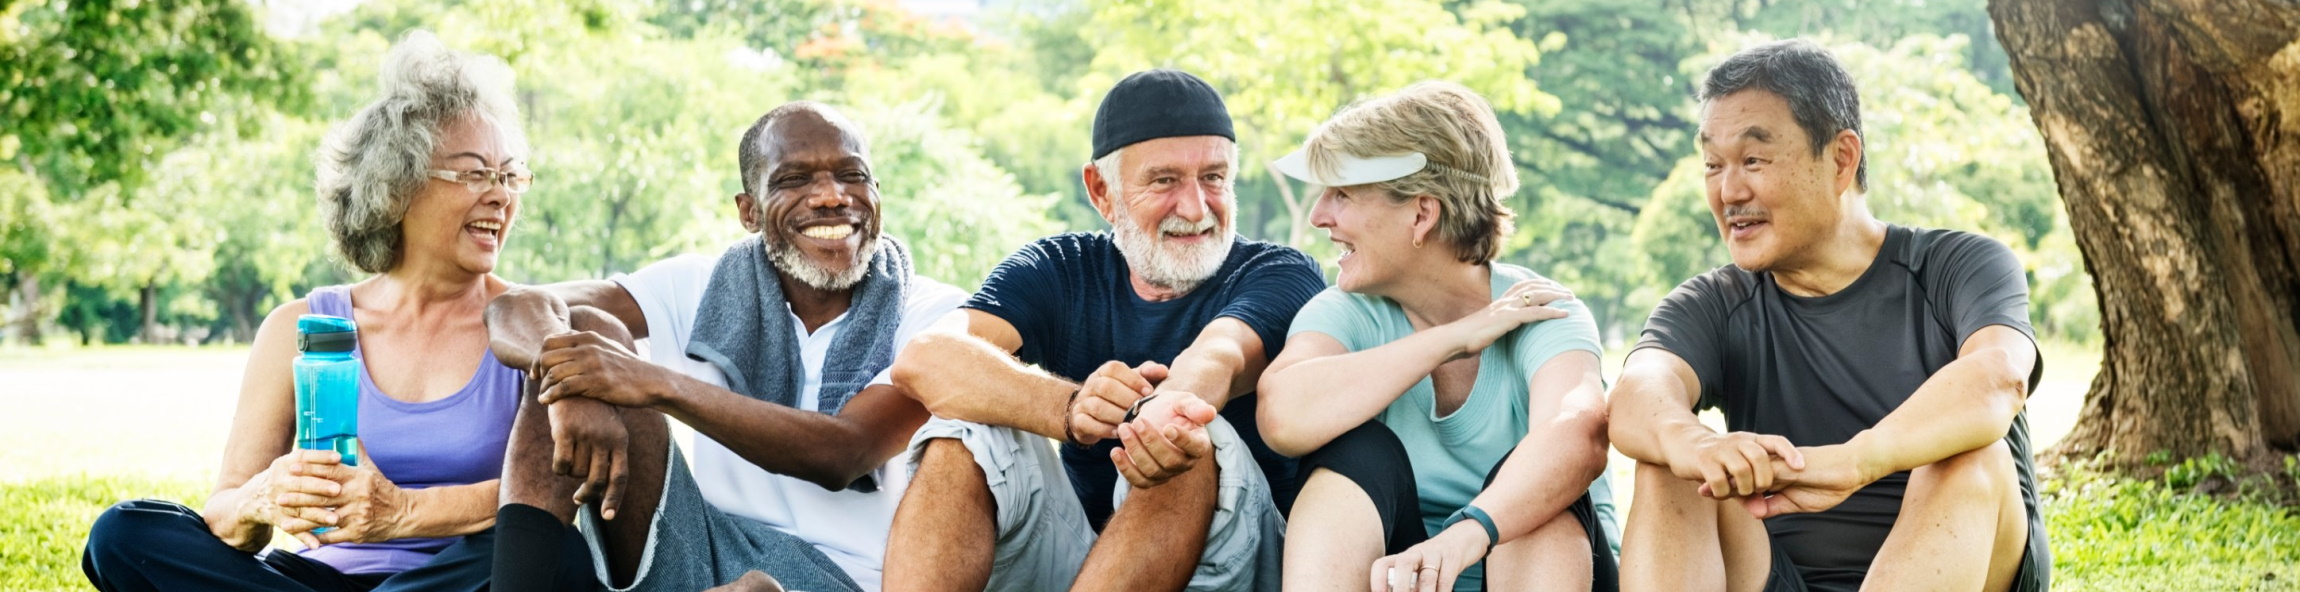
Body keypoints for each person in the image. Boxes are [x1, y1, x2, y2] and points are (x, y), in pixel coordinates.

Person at [82, 31, 547, 592]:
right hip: (313, 581)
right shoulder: (296, 328)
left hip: (463, 577)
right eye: (474, 173)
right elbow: (227, 519)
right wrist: (263, 497)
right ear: (396, 189)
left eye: (509, 175)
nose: (500, 195)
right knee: (124, 534)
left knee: (541, 546)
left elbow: (560, 493)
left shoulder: (530, 323)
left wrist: (401, 512)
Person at [1607, 39, 2050, 592]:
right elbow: (1636, 393)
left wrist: (1856, 461)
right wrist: (1695, 445)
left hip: (1963, 564)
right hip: (1779, 575)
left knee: (1970, 455)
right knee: (1669, 465)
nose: (1728, 190)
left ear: (1841, 158)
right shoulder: (1713, 303)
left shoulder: (1958, 266)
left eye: (1753, 160)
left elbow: (1998, 377)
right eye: (1713, 165)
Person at [482, 101, 966, 592]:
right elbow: (515, 306)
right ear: (749, 211)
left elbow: (845, 452)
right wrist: (571, 386)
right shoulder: (700, 285)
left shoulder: (932, 314)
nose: (830, 196)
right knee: (584, 330)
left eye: (851, 175)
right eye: (794, 180)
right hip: (704, 544)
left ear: (876, 193)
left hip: (843, 579)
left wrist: (650, 383)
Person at [881, 69, 1326, 591]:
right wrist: (1070, 409)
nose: (1196, 207)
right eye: (1164, 181)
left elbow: (1221, 354)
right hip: (1094, 559)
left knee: (1182, 435)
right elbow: (925, 358)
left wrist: (1156, 411)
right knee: (964, 432)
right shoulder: (1058, 266)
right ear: (1101, 191)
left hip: (1240, 560)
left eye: (1213, 178)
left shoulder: (1279, 271)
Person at [1259, 81, 1621, 592]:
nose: (1320, 216)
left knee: (1537, 484)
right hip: (1405, 579)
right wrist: (1456, 337)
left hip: (1551, 571)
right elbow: (1282, 416)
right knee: (1354, 456)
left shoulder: (1541, 310)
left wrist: (1466, 536)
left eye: (1341, 194)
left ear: (1422, 214)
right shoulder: (1344, 313)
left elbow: (1578, 435)